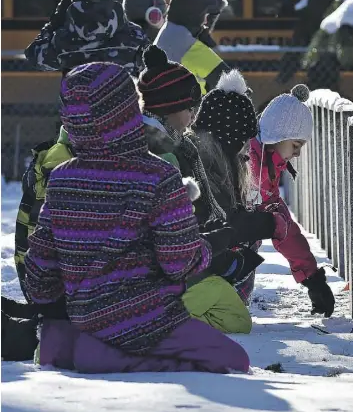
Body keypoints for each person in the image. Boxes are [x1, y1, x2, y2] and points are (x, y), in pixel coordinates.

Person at [23, 61, 251, 373]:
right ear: (128, 109)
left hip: (79, 317)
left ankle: (73, 348)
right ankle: (111, 357)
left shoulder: (62, 178)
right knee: (234, 361)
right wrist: (217, 243)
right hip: (146, 320)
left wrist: (57, 305)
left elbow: (40, 268)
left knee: (70, 337)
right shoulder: (157, 175)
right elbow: (179, 262)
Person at [137, 46, 270, 333]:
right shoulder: (166, 154)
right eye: (189, 109)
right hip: (163, 278)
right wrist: (226, 249)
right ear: (172, 107)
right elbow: (181, 227)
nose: (193, 117)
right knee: (235, 319)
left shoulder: (175, 146)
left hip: (171, 267)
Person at [191, 68, 281, 305]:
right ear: (229, 138)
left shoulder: (213, 159)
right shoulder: (206, 170)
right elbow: (223, 224)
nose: (246, 151)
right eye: (243, 140)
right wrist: (268, 224)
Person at [249, 85, 336, 318]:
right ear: (278, 134)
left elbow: (284, 227)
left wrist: (312, 278)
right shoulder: (248, 163)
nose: (297, 154)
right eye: (295, 145)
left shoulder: (267, 167)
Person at [25, 0, 149, 77]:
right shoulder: (134, 34)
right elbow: (149, 65)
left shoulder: (61, 39)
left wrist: (54, 23)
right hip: (124, 103)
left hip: (79, 104)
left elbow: (34, 57)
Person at [154, 0, 230, 94]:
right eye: (204, 15)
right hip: (186, 109)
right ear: (194, 14)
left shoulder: (167, 32)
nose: (205, 22)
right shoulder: (186, 44)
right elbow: (231, 83)